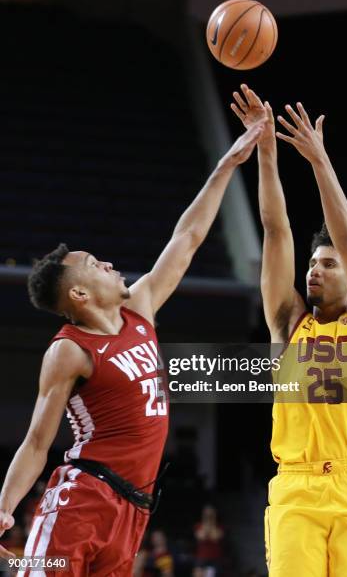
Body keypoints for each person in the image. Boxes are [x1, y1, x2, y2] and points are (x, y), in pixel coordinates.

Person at [0, 119, 266, 576]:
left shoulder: (139, 308)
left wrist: (226, 165)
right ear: (79, 296)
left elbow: (187, 239)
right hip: (82, 500)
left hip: (134, 508)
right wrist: (4, 507)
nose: (106, 262)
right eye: (92, 265)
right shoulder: (69, 350)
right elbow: (38, 441)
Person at [231, 85, 347, 576]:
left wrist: (320, 162)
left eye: (327, 265)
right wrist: (265, 148)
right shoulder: (287, 322)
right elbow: (275, 228)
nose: (314, 271)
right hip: (296, 488)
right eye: (312, 264)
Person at [193, 505, 224, 577]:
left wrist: (212, 521)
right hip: (201, 558)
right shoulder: (198, 525)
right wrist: (205, 521)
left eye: (211, 514)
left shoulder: (220, 527)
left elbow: (215, 537)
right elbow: (201, 537)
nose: (208, 516)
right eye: (206, 514)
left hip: (215, 559)